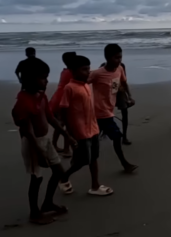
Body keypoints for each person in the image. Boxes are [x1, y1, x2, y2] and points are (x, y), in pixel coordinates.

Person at [11, 57, 75, 225]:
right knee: (36, 178)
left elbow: (50, 118)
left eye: (46, 77)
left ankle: (47, 203)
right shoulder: (23, 102)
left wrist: (66, 134)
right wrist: (39, 152)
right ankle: (34, 212)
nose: (46, 81)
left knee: (59, 172)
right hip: (32, 144)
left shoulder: (41, 96)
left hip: (44, 141)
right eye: (43, 77)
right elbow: (27, 131)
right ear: (30, 79)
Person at [58, 55, 113, 196]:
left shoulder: (86, 86)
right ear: (73, 71)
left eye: (88, 69)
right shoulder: (69, 88)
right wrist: (68, 133)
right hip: (80, 131)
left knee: (94, 158)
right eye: (84, 69)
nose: (87, 72)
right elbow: (63, 110)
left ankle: (95, 186)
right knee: (83, 160)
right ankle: (64, 176)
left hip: (93, 128)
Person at [89, 44, 138, 173]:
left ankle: (78, 155)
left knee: (91, 140)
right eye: (116, 58)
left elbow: (123, 83)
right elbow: (81, 83)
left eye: (120, 57)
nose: (119, 60)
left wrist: (129, 97)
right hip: (100, 112)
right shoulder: (97, 73)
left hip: (108, 110)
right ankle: (125, 164)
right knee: (116, 137)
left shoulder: (119, 69)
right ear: (107, 58)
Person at [50, 51, 77, 156]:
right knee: (68, 125)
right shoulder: (72, 72)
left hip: (57, 98)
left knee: (60, 124)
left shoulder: (64, 71)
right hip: (64, 99)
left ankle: (54, 144)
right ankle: (66, 149)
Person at [102, 62, 133, 145]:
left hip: (119, 91)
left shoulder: (121, 66)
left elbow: (123, 80)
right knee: (106, 114)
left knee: (124, 112)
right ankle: (105, 130)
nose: (118, 60)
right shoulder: (103, 67)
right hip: (108, 93)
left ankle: (124, 136)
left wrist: (129, 96)